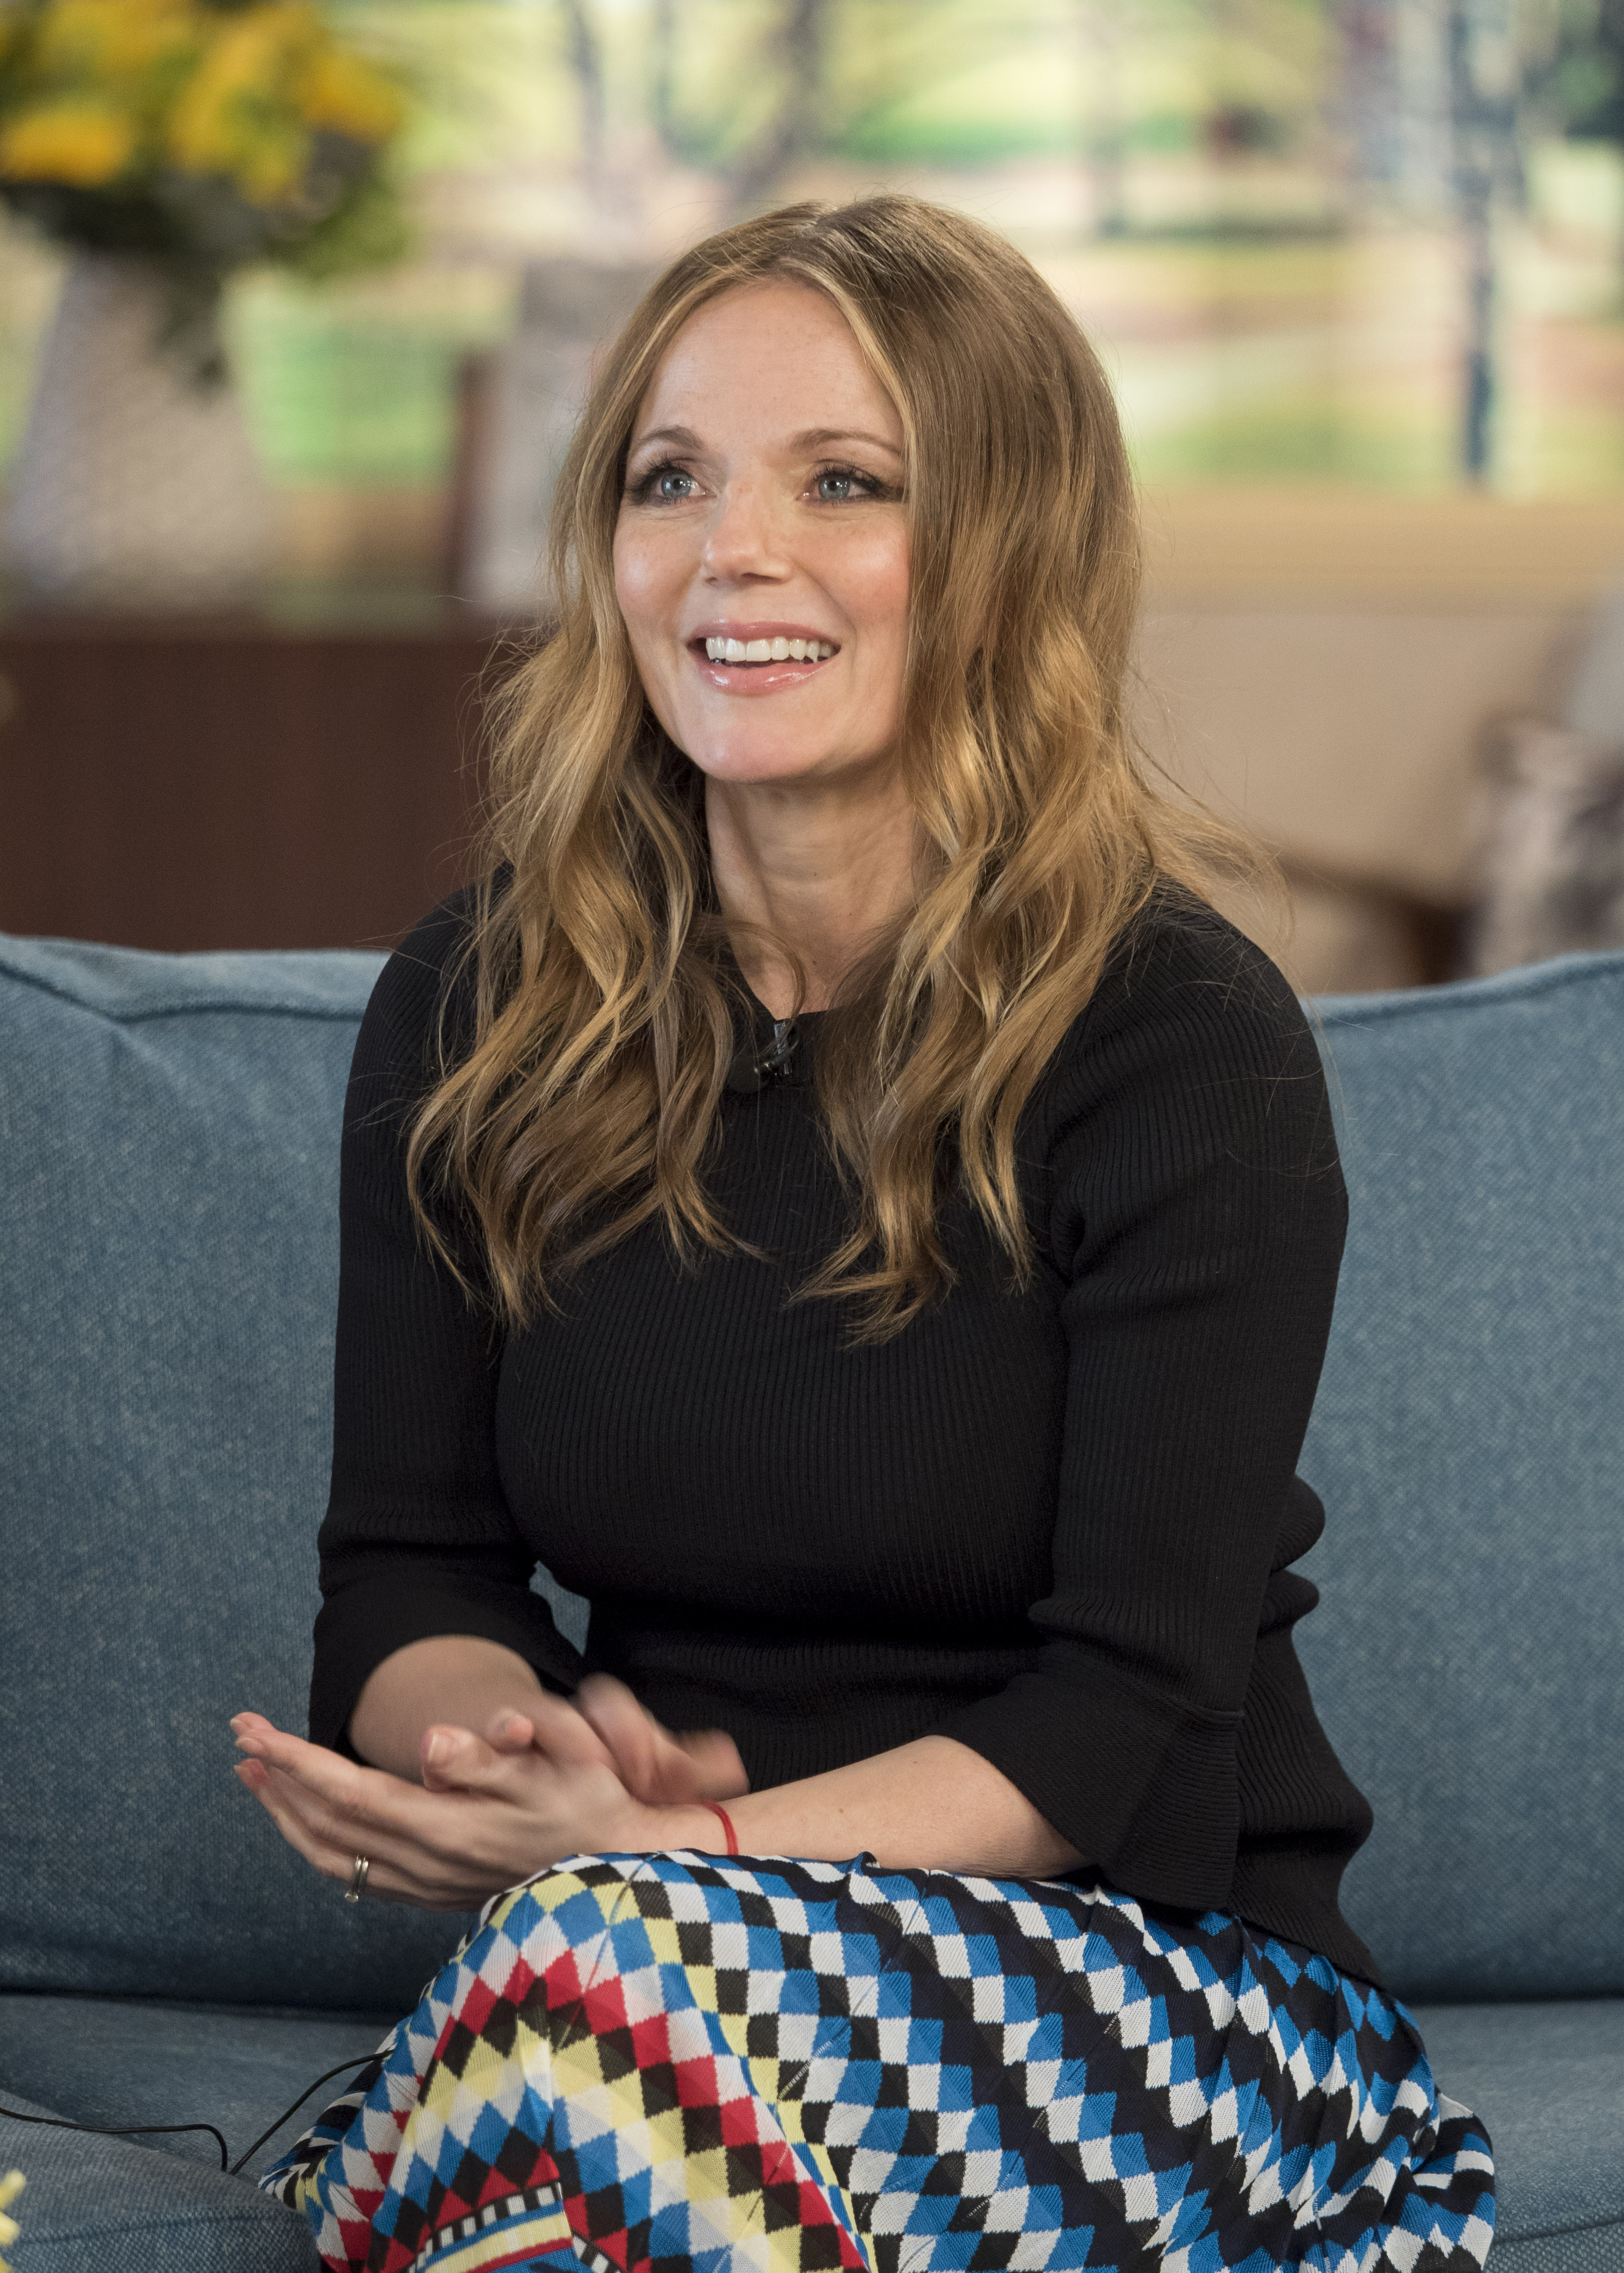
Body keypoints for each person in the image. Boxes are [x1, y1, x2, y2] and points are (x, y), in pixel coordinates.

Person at [234, 196, 1495, 2273]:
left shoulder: (1176, 1039)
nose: (731, 550)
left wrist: (671, 1851)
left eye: (845, 481)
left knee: (569, 2053)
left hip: (1154, 1986)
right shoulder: (483, 1002)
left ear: (1007, 545)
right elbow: (408, 1569)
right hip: (650, 1977)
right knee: (588, 2058)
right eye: (669, 479)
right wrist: (500, 1759)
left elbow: (1120, 1713)